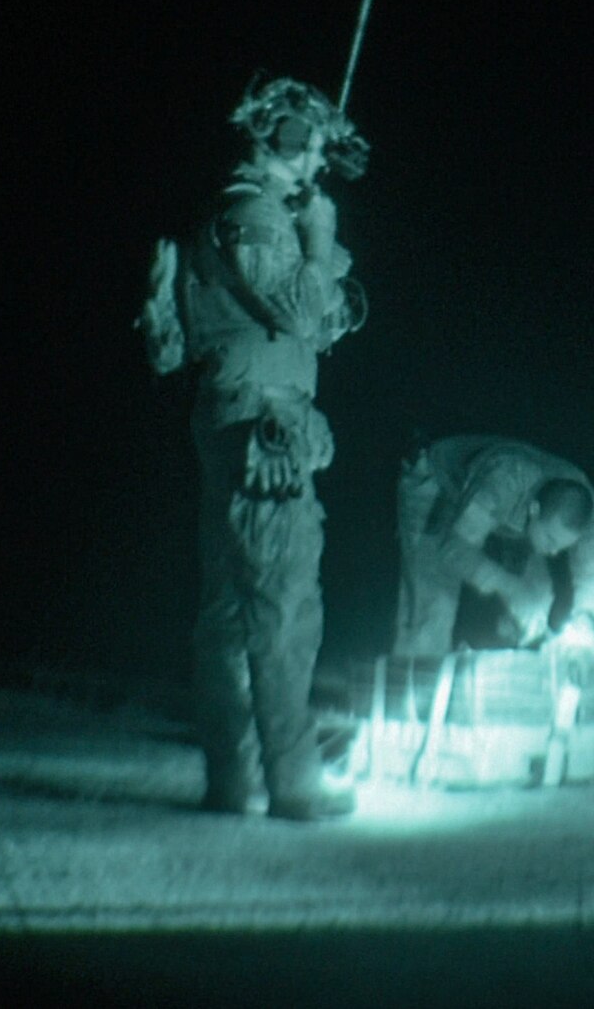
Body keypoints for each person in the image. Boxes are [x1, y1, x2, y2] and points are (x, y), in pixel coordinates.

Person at [140, 76, 368, 819]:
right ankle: (296, 781)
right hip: (261, 427)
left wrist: (320, 250)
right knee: (282, 605)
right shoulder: (250, 211)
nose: (314, 160)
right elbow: (302, 315)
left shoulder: (243, 211)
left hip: (235, 416)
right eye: (306, 143)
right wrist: (322, 234)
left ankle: (236, 780)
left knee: (231, 613)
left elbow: (329, 318)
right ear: (281, 141)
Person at [391, 435, 594, 657]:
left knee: (538, 597)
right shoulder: (505, 479)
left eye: (562, 547)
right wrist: (511, 589)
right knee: (434, 605)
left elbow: (591, 575)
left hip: (508, 515)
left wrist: (587, 617)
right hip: (441, 483)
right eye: (551, 541)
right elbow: (454, 550)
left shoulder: (586, 512)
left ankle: (521, 665)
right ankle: (419, 678)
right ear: (534, 510)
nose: (553, 553)